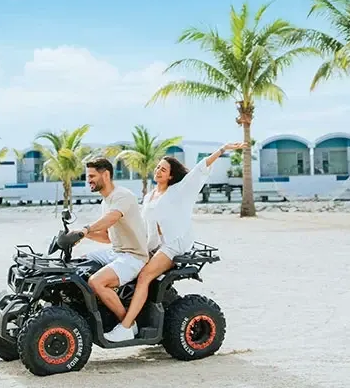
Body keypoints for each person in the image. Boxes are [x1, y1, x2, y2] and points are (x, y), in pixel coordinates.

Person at [103, 141, 245, 342]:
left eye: (163, 169)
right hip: (154, 245)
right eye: (158, 167)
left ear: (171, 175)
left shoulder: (179, 190)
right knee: (129, 269)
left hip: (173, 244)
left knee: (144, 277)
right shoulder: (150, 195)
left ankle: (126, 327)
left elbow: (199, 170)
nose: (158, 171)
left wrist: (222, 150)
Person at [61, 157, 150, 333]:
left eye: (92, 176)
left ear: (106, 175)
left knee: (97, 282)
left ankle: (128, 325)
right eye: (88, 177)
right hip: (115, 252)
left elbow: (112, 218)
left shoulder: (122, 195)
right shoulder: (106, 201)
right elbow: (108, 237)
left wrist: (86, 229)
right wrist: (79, 235)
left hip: (134, 256)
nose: (88, 181)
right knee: (79, 263)